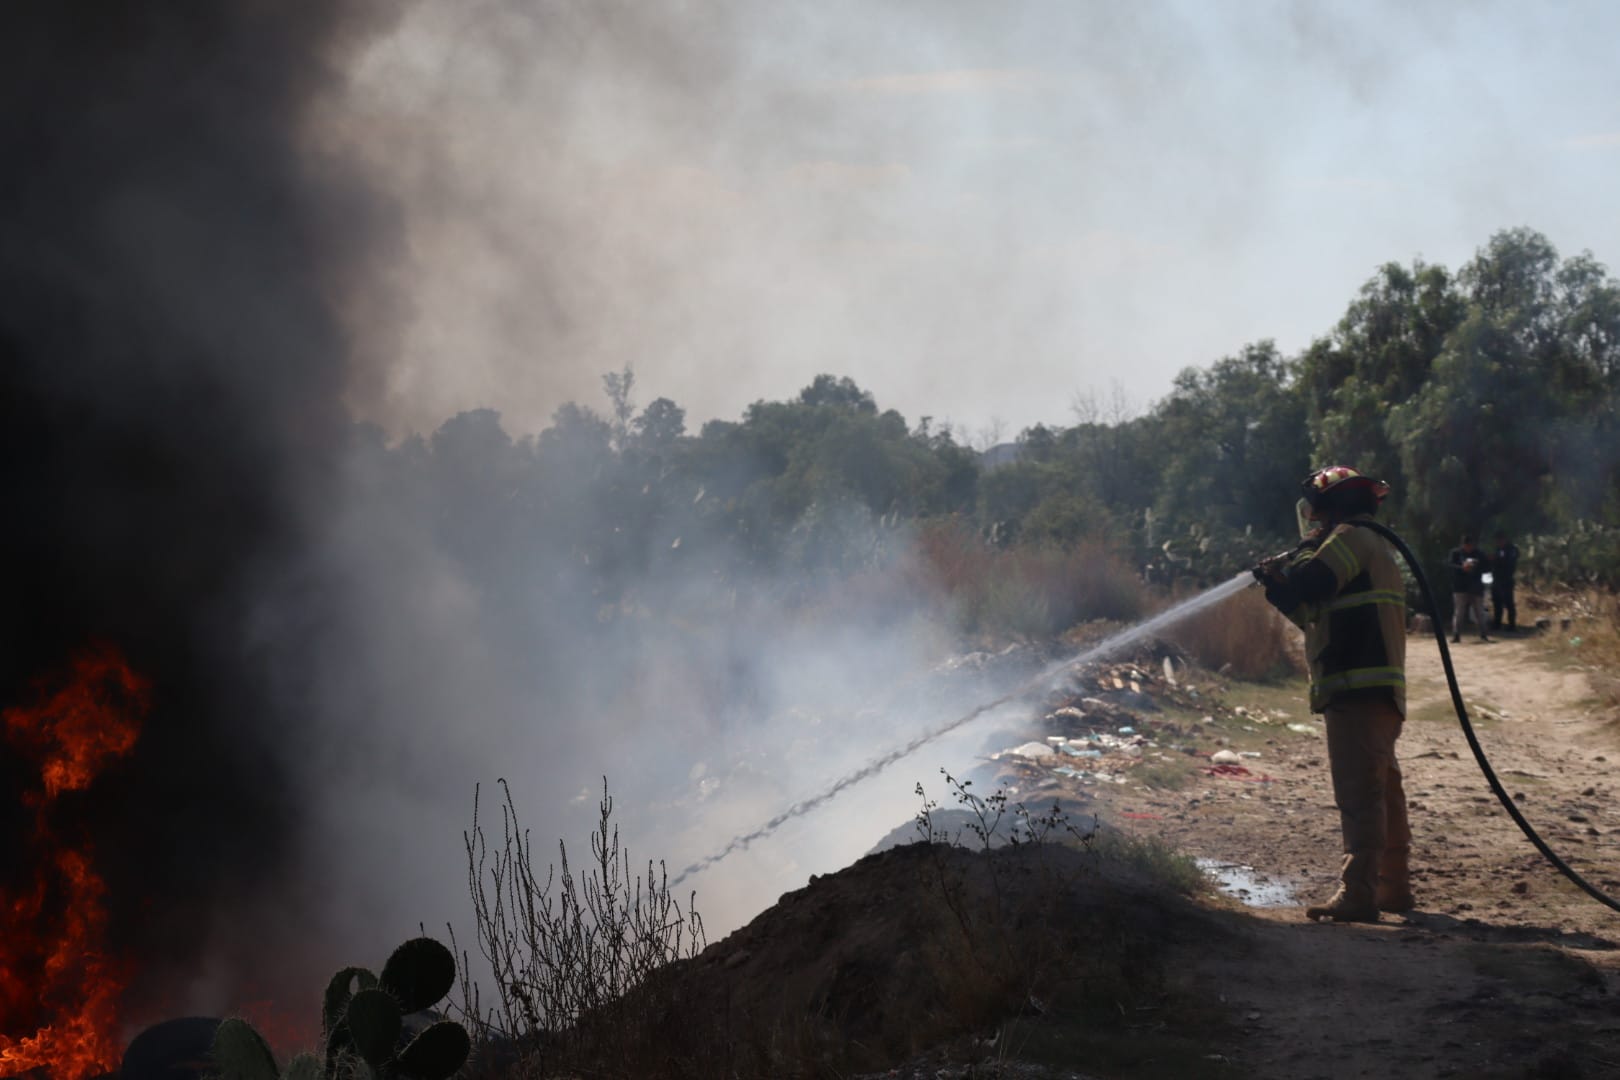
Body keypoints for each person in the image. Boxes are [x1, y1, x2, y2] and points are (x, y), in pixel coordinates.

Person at [1254, 465, 1411, 922]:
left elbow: (1314, 581)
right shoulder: (1368, 544)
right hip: (1373, 689)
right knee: (1383, 790)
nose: (1313, 523)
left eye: (1316, 514)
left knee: (1360, 795)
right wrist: (1278, 590)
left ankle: (1359, 894)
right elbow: (1317, 610)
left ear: (1332, 508)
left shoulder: (1350, 538)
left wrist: (1299, 557)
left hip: (1357, 689)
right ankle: (1393, 889)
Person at [1448, 535, 1491, 643]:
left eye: (1471, 545)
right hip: (1460, 587)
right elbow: (1450, 566)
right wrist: (1462, 568)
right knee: (1459, 612)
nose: (1469, 547)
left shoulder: (1479, 554)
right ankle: (1456, 635)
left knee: (1479, 612)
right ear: (1463, 545)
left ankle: (1483, 634)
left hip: (1476, 587)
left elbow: (1487, 568)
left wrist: (1476, 566)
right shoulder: (1456, 553)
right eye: (1467, 545)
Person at [1491, 532, 1520, 632]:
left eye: (1500, 540)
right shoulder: (1499, 549)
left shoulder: (1512, 549)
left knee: (1509, 603)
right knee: (1497, 602)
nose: (1499, 542)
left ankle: (1512, 625)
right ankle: (1497, 623)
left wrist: (1498, 559)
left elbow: (1509, 562)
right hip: (1497, 579)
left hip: (1507, 579)